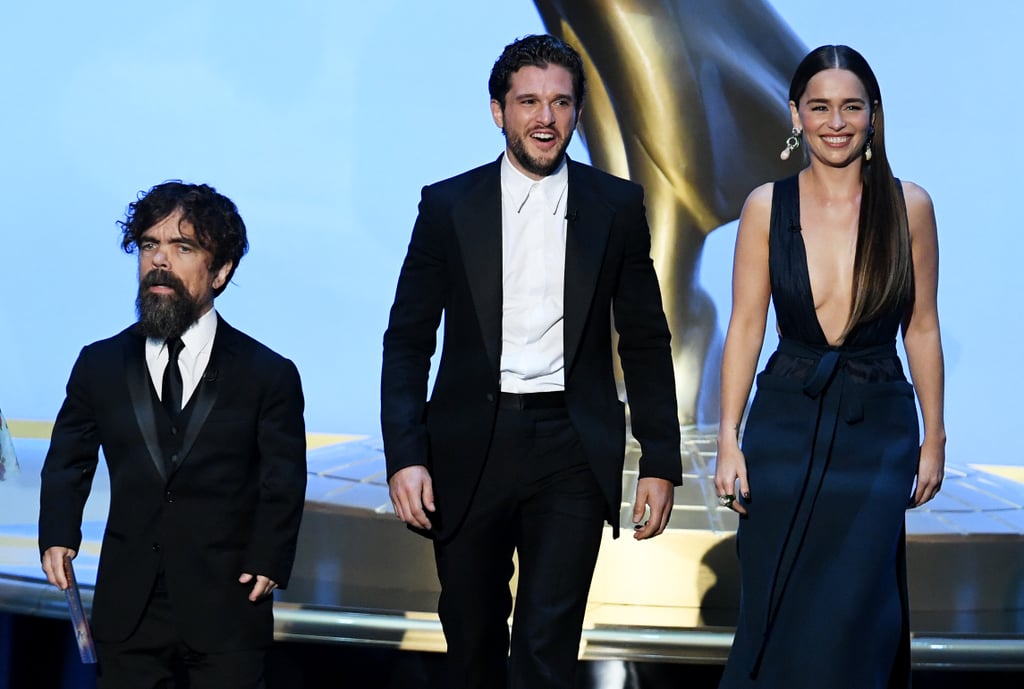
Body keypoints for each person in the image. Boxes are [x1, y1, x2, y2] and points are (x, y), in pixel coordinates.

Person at [381, 34, 682, 689]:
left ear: (578, 112)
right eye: (528, 102)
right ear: (498, 111)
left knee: (548, 647)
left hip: (570, 444)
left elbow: (646, 338)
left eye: (561, 102)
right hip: (468, 444)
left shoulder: (617, 207)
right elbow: (408, 339)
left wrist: (660, 459)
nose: (545, 117)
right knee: (472, 636)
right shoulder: (447, 205)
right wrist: (406, 453)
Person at [714, 45, 945, 688]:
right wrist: (728, 438)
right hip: (785, 421)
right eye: (820, 107)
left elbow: (921, 327)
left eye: (851, 107)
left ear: (874, 115)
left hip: (878, 428)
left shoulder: (911, 207)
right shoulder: (765, 205)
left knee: (857, 606)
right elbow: (746, 325)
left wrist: (936, 436)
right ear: (796, 115)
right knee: (776, 599)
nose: (835, 122)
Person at [38, 182, 307, 689]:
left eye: (183, 248)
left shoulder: (267, 373)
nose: (159, 261)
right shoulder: (99, 364)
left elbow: (283, 477)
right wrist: (57, 532)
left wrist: (270, 556)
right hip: (129, 605)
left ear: (221, 271)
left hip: (228, 604)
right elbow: (69, 458)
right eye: (148, 245)